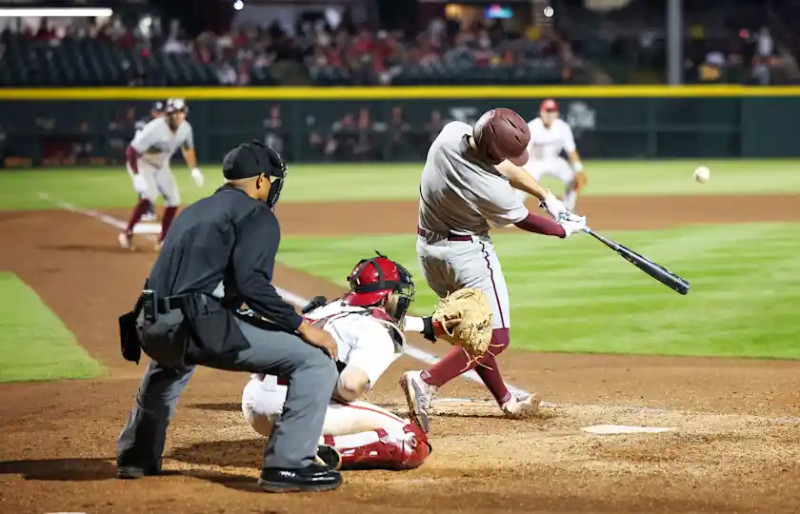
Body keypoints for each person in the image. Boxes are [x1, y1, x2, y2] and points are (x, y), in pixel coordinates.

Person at [116, 140, 342, 493]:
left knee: (169, 365)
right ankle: (289, 465)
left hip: (149, 325)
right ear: (260, 180)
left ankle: (136, 458)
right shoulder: (256, 214)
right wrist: (301, 326)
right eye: (272, 180)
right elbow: (251, 283)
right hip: (197, 325)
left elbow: (200, 279)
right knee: (314, 361)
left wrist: (260, 311)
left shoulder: (193, 211)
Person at [400, 107, 586, 429]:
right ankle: (426, 378)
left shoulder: (451, 133)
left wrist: (546, 195)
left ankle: (506, 400)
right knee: (495, 337)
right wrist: (564, 229)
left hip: (429, 253)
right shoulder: (489, 189)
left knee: (473, 327)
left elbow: (503, 164)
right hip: (467, 255)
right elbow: (524, 220)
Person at [241, 253, 435, 471]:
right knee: (412, 441)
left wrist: (428, 324)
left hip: (254, 403)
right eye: (397, 293)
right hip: (296, 410)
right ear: (385, 297)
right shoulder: (378, 333)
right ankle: (311, 449)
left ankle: (304, 439)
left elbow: (365, 321)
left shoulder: (329, 308)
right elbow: (349, 387)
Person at [118, 98, 204, 251]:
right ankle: (127, 233)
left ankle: (163, 239)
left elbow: (188, 149)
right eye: (174, 113)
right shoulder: (155, 128)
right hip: (142, 162)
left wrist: (194, 169)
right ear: (168, 114)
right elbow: (132, 151)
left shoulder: (186, 128)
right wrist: (137, 175)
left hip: (161, 164)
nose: (178, 116)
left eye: (181, 113)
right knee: (149, 196)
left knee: (173, 199)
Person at [518, 99, 587, 211]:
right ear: (541, 112)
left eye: (552, 111)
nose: (549, 114)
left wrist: (578, 169)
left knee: (574, 179)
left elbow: (571, 151)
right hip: (533, 162)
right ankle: (513, 211)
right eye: (547, 111)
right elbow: (524, 152)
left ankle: (567, 209)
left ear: (557, 113)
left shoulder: (563, 127)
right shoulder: (532, 127)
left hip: (553, 161)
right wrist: (519, 170)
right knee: (522, 184)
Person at [130, 100, 165, 222]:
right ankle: (146, 210)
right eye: (157, 112)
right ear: (153, 112)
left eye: (161, 112)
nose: (159, 114)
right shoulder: (145, 124)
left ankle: (147, 209)